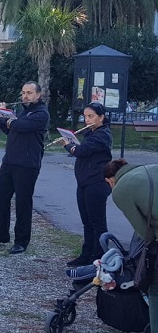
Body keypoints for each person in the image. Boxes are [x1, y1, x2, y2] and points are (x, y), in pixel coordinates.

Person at [103, 159, 158, 333]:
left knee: (155, 289)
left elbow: (145, 233)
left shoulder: (121, 190)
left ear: (110, 180)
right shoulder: (152, 168)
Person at [0, 81, 49, 254]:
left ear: (38, 95)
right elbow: (10, 130)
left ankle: (21, 241)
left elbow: (19, 125)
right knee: (2, 198)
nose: (24, 96)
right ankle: (2, 234)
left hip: (27, 165)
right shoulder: (22, 111)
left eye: (28, 93)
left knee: (22, 203)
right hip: (9, 161)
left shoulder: (41, 113)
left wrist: (6, 114)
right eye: (23, 92)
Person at [60, 102, 112, 266]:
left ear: (101, 117)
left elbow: (82, 151)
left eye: (91, 116)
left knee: (98, 224)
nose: (87, 120)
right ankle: (86, 254)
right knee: (87, 222)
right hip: (84, 182)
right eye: (85, 117)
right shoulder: (91, 133)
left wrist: (69, 146)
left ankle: (99, 259)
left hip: (96, 183)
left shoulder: (103, 134)